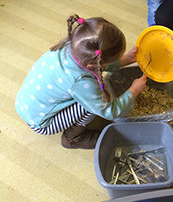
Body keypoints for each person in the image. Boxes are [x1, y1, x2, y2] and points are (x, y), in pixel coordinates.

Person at [15, 15, 147, 149]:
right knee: (97, 99)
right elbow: (109, 111)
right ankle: (72, 139)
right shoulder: (81, 82)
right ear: (93, 64)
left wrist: (128, 59)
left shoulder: (75, 47)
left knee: (92, 95)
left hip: (27, 105)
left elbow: (98, 63)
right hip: (42, 122)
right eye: (115, 59)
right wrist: (134, 90)